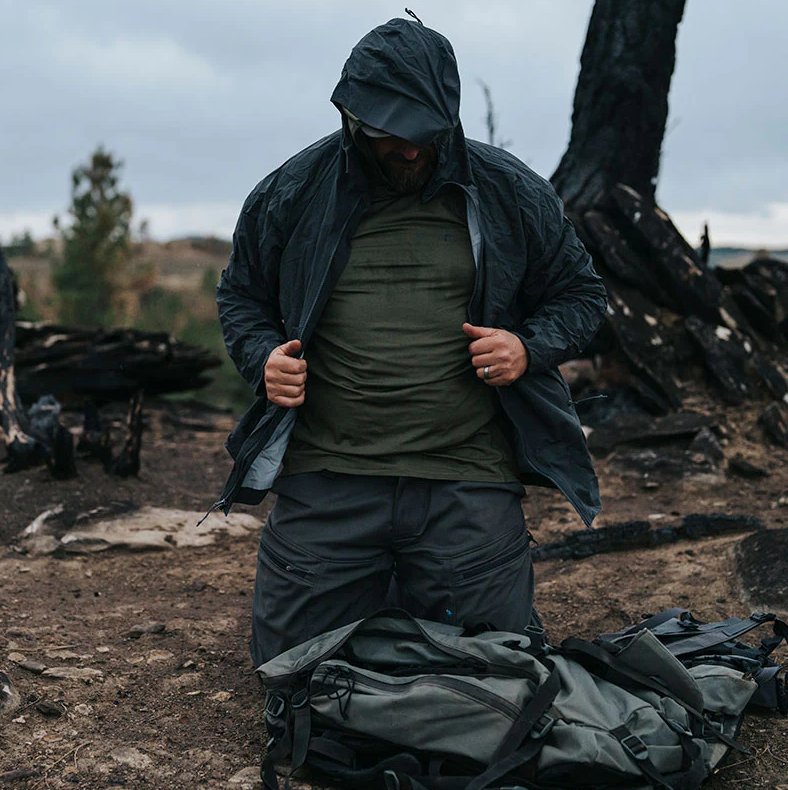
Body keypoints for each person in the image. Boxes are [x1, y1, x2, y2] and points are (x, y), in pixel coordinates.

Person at [215, 16, 607, 667]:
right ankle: (387, 590)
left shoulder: (506, 189)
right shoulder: (295, 190)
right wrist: (263, 359)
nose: (404, 150)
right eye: (386, 133)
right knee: (290, 671)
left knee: (497, 669)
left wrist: (526, 347)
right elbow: (241, 297)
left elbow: (581, 294)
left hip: (465, 476)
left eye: (421, 133)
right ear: (353, 118)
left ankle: (407, 590)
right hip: (329, 475)